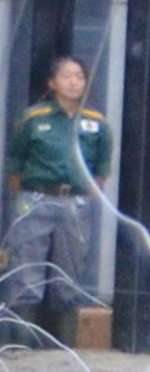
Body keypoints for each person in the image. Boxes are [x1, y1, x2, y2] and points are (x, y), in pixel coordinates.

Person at [4, 51, 112, 331]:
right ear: (52, 82)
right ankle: (21, 336)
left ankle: (61, 336)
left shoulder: (97, 123)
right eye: (66, 76)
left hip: (74, 202)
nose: (74, 82)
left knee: (71, 265)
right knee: (26, 262)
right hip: (36, 197)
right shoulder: (33, 118)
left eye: (80, 77)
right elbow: (15, 164)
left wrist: (81, 197)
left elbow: (101, 170)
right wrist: (27, 196)